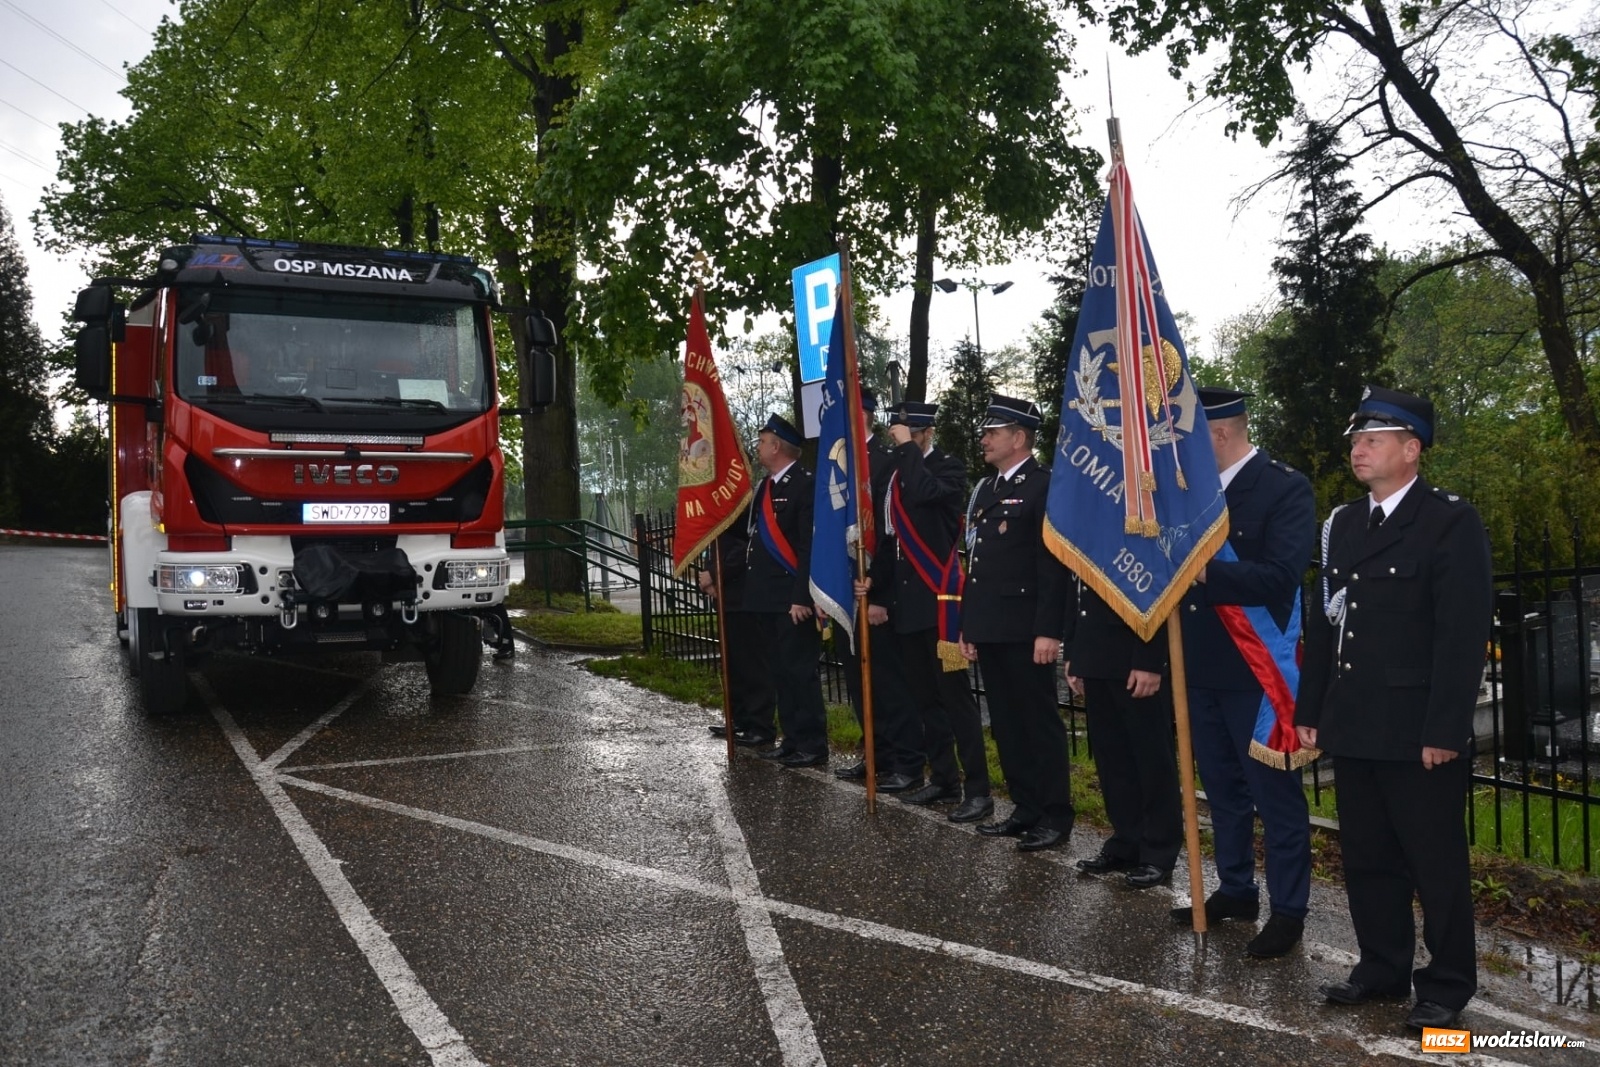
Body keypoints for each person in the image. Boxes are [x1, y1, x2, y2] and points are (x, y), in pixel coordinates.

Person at [1296, 386, 1492, 1032]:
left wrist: (1445, 727)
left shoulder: (1448, 523)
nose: (1358, 448)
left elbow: (1460, 636)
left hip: (1415, 731)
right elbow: (1322, 626)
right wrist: (1311, 708)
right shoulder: (1343, 525)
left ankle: (1445, 984)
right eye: (1356, 439)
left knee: (1434, 862)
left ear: (1412, 450)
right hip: (1355, 722)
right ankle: (1381, 964)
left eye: (1373, 439)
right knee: (1367, 856)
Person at [1172, 387, 1316, 956]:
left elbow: (1281, 575)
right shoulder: (1189, 496)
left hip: (1256, 674)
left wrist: (1208, 575)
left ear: (1219, 434)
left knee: (1275, 798)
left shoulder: (1284, 488)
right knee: (1223, 794)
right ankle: (1236, 888)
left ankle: (1289, 911)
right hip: (1201, 666)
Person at [958, 394, 1075, 852]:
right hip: (991, 623)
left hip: (1027, 627)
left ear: (1019, 437)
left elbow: (1052, 565)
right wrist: (970, 625)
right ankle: (1025, 807)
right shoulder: (986, 489)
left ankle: (1054, 814)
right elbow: (977, 564)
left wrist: (1049, 629)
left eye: (994, 432)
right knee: (1006, 722)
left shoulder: (1046, 485)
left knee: (1038, 721)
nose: (985, 439)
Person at [877, 399, 993, 823]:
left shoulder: (948, 468)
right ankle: (944, 779)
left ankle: (978, 789)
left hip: (940, 603)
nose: (899, 439)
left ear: (924, 432)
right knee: (925, 700)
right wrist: (876, 588)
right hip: (908, 605)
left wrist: (908, 450)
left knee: (956, 703)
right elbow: (892, 540)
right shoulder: (896, 474)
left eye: (908, 432)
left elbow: (927, 495)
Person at [1063, 576, 1183, 888]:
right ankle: (1126, 841)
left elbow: (1158, 588)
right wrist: (1075, 650)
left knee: (1152, 758)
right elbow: (1077, 586)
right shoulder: (1088, 527)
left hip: (1134, 654)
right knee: (1111, 757)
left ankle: (1159, 851)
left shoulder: (1142, 524)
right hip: (1096, 649)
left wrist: (1150, 658)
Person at [833, 391, 926, 793]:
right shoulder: (836, 465)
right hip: (844, 588)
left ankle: (906, 762)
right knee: (857, 679)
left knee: (888, 682)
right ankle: (876, 753)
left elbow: (890, 536)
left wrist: (882, 595)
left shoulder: (886, 462)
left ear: (864, 415)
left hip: (876, 590)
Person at [743, 413, 830, 768]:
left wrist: (802, 595)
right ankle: (792, 738)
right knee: (779, 671)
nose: (759, 447)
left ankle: (812, 742)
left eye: (763, 441)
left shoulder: (805, 485)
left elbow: (810, 545)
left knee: (799, 672)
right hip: (766, 596)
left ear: (777, 446)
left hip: (791, 598)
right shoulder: (765, 487)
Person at [699, 500, 778, 747]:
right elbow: (715, 544)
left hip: (745, 594)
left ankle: (760, 725)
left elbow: (747, 548)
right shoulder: (722, 502)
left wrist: (716, 573)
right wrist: (711, 575)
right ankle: (740, 718)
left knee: (752, 664)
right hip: (728, 596)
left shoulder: (745, 504)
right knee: (734, 663)